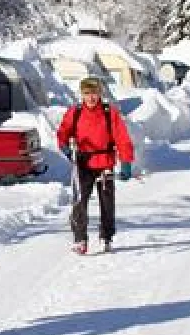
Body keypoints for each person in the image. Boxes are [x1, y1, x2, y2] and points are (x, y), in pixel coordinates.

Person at [55, 76, 135, 255]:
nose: (91, 97)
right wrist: (64, 146)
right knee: (79, 202)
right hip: (82, 163)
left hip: (104, 162)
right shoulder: (75, 112)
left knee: (107, 203)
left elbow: (122, 138)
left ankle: (106, 236)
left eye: (95, 93)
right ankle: (80, 239)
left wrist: (126, 162)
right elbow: (63, 132)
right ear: (82, 95)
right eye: (87, 93)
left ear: (100, 94)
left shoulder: (109, 112)